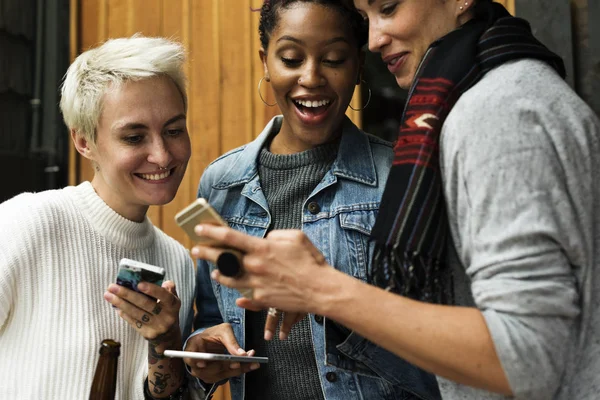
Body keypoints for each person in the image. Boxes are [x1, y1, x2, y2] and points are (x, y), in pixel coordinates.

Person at [191, 0, 600, 399]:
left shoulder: (500, 111)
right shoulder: (487, 101)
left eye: (388, 8)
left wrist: (322, 292)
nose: (373, 40)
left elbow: (525, 356)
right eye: (367, 16)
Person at [184, 1, 440, 399]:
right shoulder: (222, 185)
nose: (311, 77)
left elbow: (439, 361)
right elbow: (214, 315)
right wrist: (206, 349)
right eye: (290, 58)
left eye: (334, 59)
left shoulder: (400, 178)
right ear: (265, 62)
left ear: (357, 65)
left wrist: (333, 305)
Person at [0, 35, 196, 399]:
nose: (163, 155)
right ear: (84, 142)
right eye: (135, 137)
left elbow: (161, 393)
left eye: (173, 130)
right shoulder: (26, 223)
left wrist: (165, 343)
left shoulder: (177, 260)